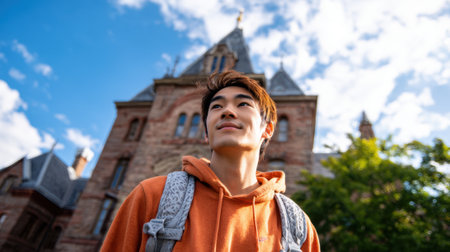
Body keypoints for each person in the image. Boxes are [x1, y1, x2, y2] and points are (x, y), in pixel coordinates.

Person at [101, 70, 320, 251]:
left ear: (268, 129)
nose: (227, 111)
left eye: (243, 104)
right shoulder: (150, 196)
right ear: (206, 132)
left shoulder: (298, 229)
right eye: (217, 106)